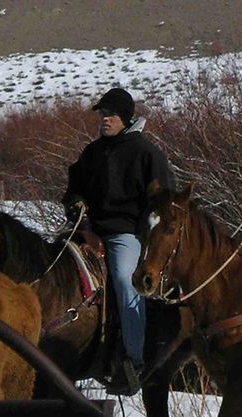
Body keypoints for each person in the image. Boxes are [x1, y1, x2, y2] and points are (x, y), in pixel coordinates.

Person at [62, 87, 175, 394]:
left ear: (125, 117)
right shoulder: (92, 152)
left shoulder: (147, 153)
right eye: (102, 114)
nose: (104, 119)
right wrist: (83, 223)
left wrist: (142, 234)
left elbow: (164, 205)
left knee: (126, 282)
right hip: (85, 232)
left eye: (109, 114)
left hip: (126, 234)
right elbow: (72, 192)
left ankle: (135, 361)